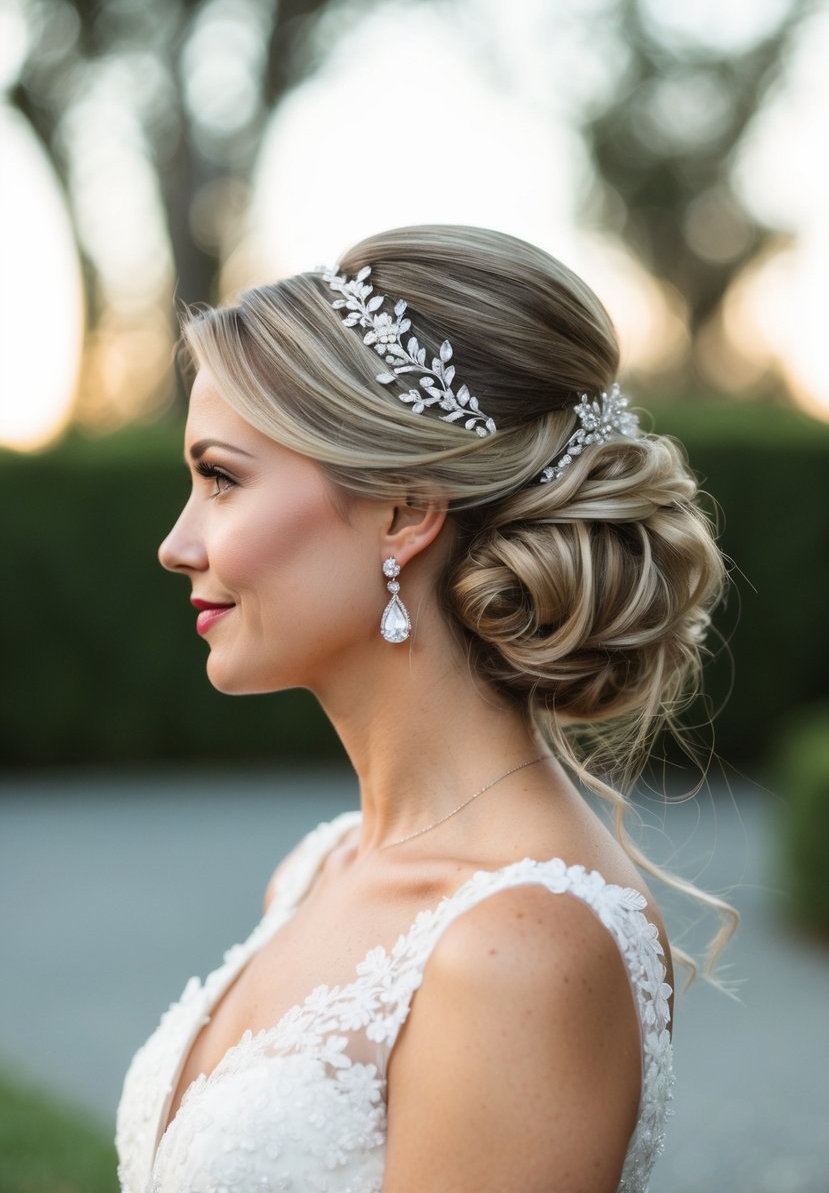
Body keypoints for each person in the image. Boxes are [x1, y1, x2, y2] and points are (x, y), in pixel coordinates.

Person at [116, 224, 736, 1193]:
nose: (176, 541)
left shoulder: (520, 946)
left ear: (405, 511)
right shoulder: (319, 865)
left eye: (222, 478)